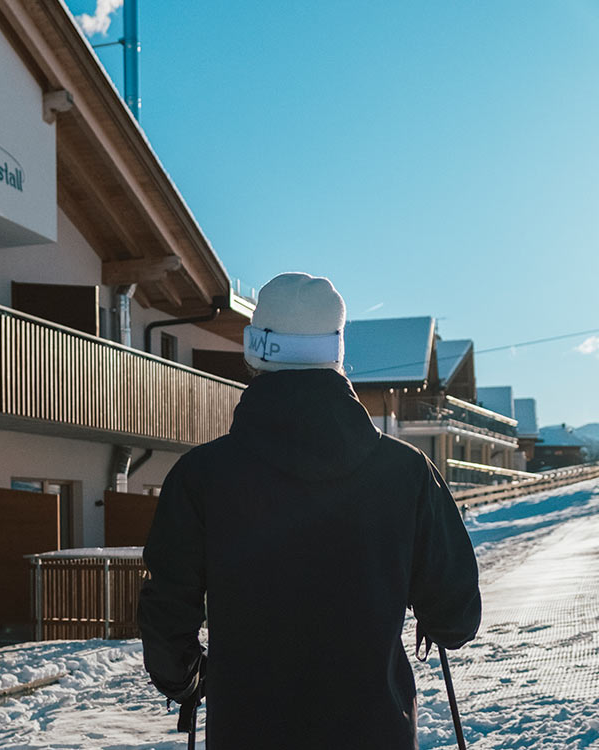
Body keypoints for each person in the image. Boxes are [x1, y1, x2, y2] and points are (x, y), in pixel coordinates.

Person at [139, 272, 481, 749]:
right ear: (336, 353)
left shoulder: (202, 476)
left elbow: (166, 616)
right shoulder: (406, 474)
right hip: (374, 730)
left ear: (256, 349)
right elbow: (457, 615)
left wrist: (188, 680)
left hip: (248, 730)